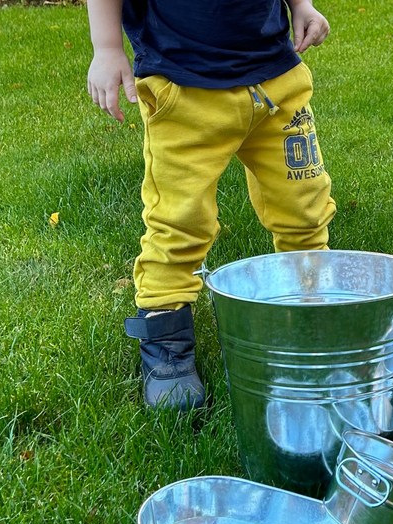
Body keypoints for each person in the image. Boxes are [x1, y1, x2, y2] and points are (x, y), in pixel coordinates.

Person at [86, 0, 335, 411]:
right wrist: (107, 45)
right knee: (179, 219)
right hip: (184, 85)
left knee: (304, 204)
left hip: (277, 78)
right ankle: (165, 332)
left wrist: (301, 6)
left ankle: (311, 305)